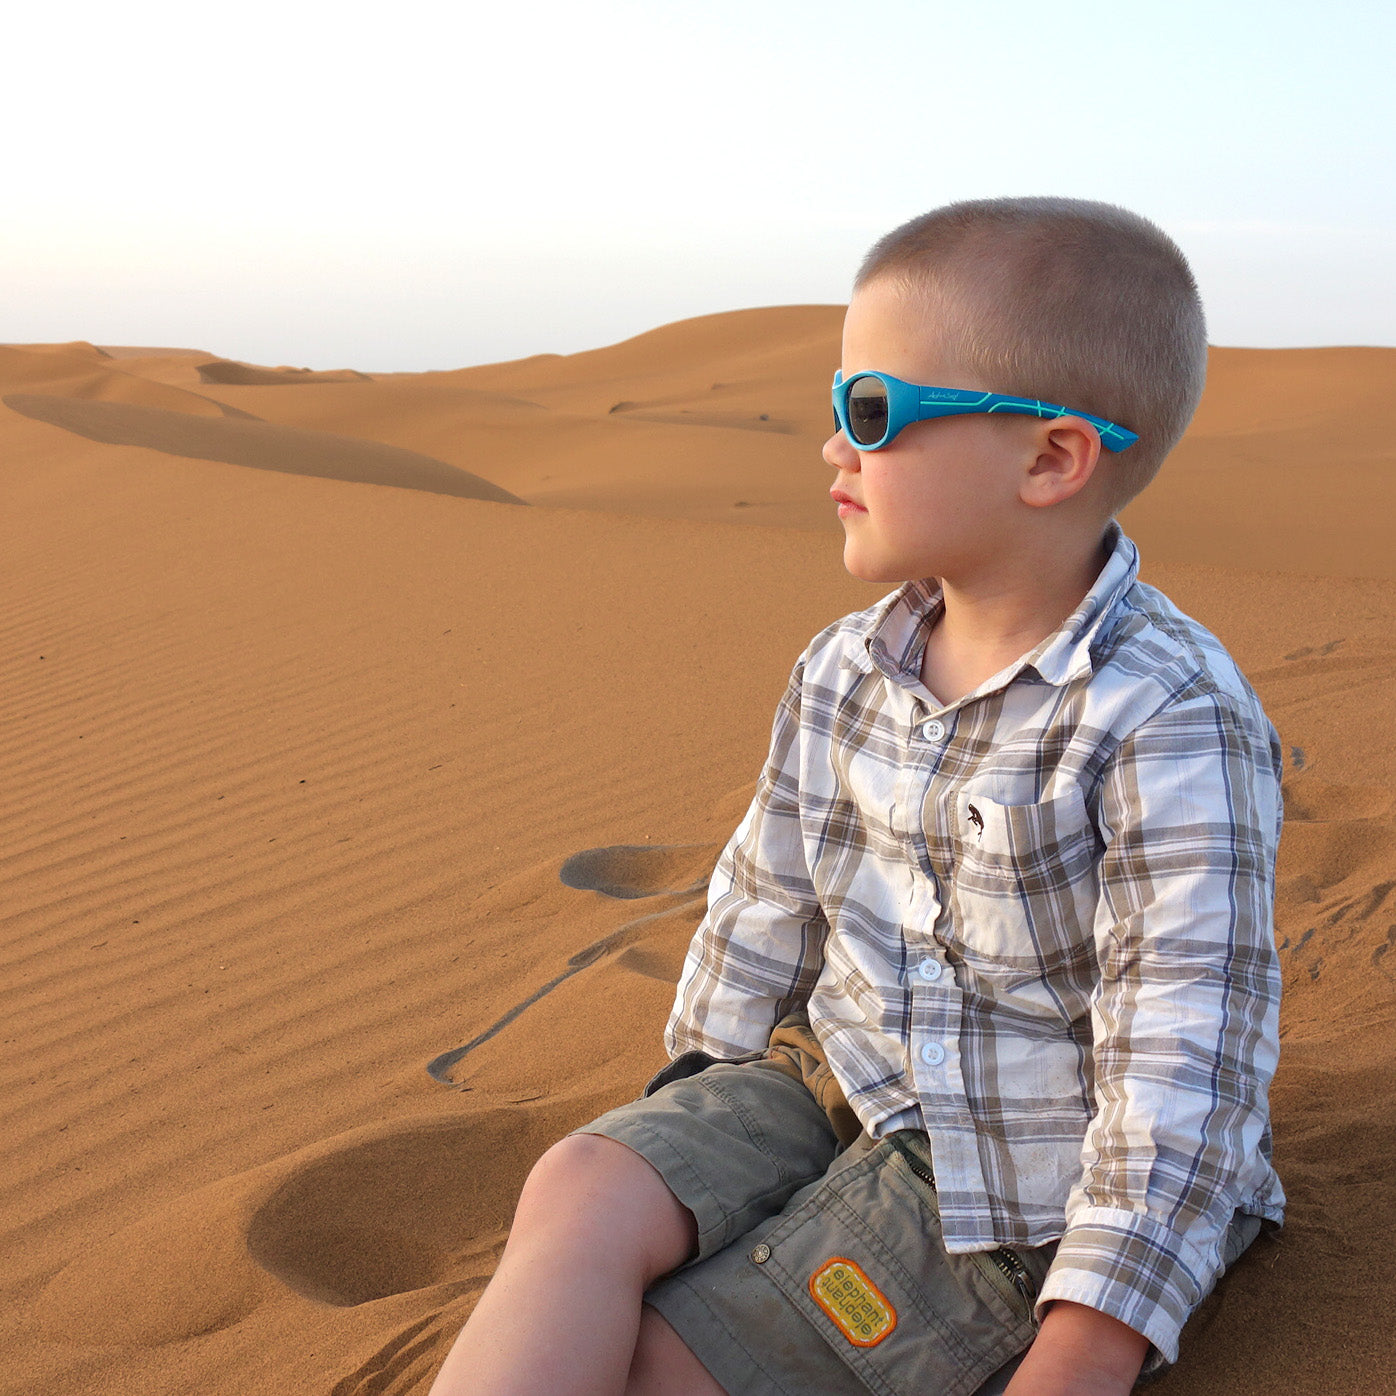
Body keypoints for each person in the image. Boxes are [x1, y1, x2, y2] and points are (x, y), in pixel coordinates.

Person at [428, 196, 1284, 1396]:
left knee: (672, 1361)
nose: (833, 446)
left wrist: (1090, 1338)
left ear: (1049, 457)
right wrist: (706, 1108)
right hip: (836, 1083)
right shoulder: (844, 666)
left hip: (1010, 1175)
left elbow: (1185, 1060)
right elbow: (767, 889)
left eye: (869, 410)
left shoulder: (1165, 716)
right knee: (579, 1186)